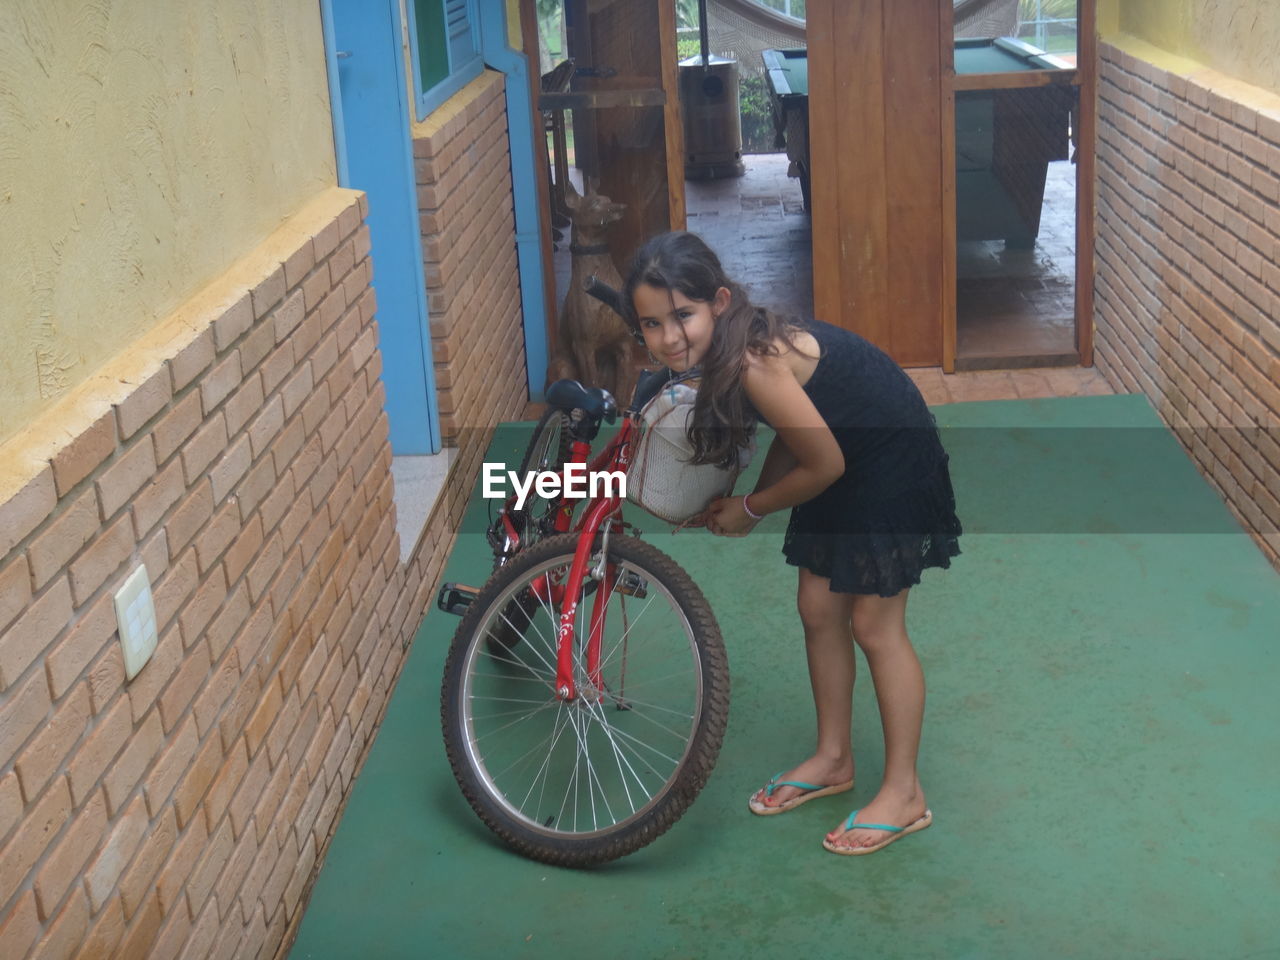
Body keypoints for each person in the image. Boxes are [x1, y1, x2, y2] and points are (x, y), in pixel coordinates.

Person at [623, 231, 962, 856]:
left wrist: (752, 508)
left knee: (874, 625)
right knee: (817, 609)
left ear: (719, 302)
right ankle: (834, 758)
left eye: (683, 316)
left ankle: (905, 791)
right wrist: (756, 493)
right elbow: (797, 430)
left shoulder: (750, 359)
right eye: (651, 323)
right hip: (840, 449)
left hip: (888, 456)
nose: (669, 336)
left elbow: (824, 461)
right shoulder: (725, 352)